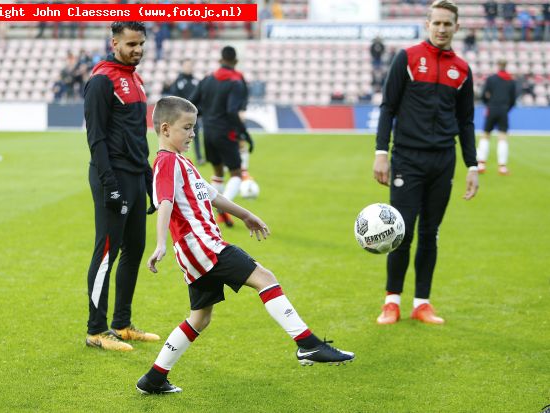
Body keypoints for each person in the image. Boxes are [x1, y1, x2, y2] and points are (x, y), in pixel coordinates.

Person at [134, 96, 355, 395]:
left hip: (196, 251)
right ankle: (307, 344)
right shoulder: (166, 162)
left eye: (193, 127)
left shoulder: (181, 162)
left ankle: (154, 378)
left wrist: (246, 214)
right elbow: (164, 202)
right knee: (265, 278)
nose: (193, 134)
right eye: (187, 128)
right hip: (204, 246)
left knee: (200, 318)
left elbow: (211, 195)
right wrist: (160, 243)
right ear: (164, 129)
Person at [373, 0, 479, 325]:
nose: (442, 29)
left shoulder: (462, 69)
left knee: (430, 233)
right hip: (407, 158)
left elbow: (466, 122)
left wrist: (472, 165)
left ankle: (422, 303)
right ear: (427, 24)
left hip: (443, 161)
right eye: (437, 23)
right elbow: (388, 106)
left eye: (448, 24)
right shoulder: (407, 58)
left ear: (457, 27)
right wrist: (381, 152)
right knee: (401, 232)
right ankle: (392, 301)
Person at [83, 21, 159, 352]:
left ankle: (122, 324)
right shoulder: (102, 80)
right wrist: (109, 183)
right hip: (110, 176)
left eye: (141, 44)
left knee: (135, 249)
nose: (137, 50)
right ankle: (96, 331)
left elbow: (137, 138)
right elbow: (96, 138)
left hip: (132, 175)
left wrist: (148, 180)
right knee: (106, 254)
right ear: (114, 43)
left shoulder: (136, 79)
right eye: (131, 44)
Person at [190, 46, 253, 228]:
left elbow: (192, 103)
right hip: (226, 132)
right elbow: (233, 111)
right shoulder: (236, 81)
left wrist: (207, 115)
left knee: (218, 173)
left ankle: (215, 210)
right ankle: (223, 207)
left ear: (220, 59)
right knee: (236, 173)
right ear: (235, 61)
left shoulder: (208, 79)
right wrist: (244, 133)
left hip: (208, 132)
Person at [477, 59, 516, 175]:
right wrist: (506, 109)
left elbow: (483, 95)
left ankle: (481, 164)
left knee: (485, 135)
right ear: (506, 65)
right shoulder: (511, 81)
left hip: (492, 108)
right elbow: (513, 100)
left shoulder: (491, 79)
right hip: (504, 110)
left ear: (498, 65)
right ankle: (502, 167)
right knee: (503, 137)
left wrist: (488, 104)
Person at [169, 59, 205, 165]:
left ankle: (199, 158)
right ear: (182, 67)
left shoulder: (196, 81)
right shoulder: (178, 82)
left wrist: (199, 112)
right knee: (180, 137)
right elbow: (174, 98)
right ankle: (178, 158)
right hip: (181, 116)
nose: (188, 67)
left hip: (194, 116)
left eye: (190, 65)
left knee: (196, 136)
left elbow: (201, 98)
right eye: (186, 65)